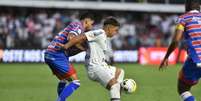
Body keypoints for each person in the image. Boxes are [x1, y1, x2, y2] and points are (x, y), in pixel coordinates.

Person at [59, 17, 124, 101]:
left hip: (102, 65)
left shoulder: (103, 36)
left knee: (120, 72)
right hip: (95, 68)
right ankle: (116, 93)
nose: (116, 33)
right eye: (115, 30)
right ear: (109, 28)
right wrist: (66, 46)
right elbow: (82, 36)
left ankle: (117, 95)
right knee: (114, 85)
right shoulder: (100, 33)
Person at [44, 12, 95, 101]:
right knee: (75, 82)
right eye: (92, 23)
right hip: (57, 54)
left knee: (63, 80)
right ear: (87, 20)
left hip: (49, 53)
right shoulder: (78, 26)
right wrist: (83, 48)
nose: (92, 26)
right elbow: (71, 38)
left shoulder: (75, 25)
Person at [159, 0, 201, 101]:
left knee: (183, 88)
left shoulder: (183, 18)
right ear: (199, 6)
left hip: (197, 59)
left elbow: (176, 41)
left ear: (186, 5)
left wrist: (166, 57)